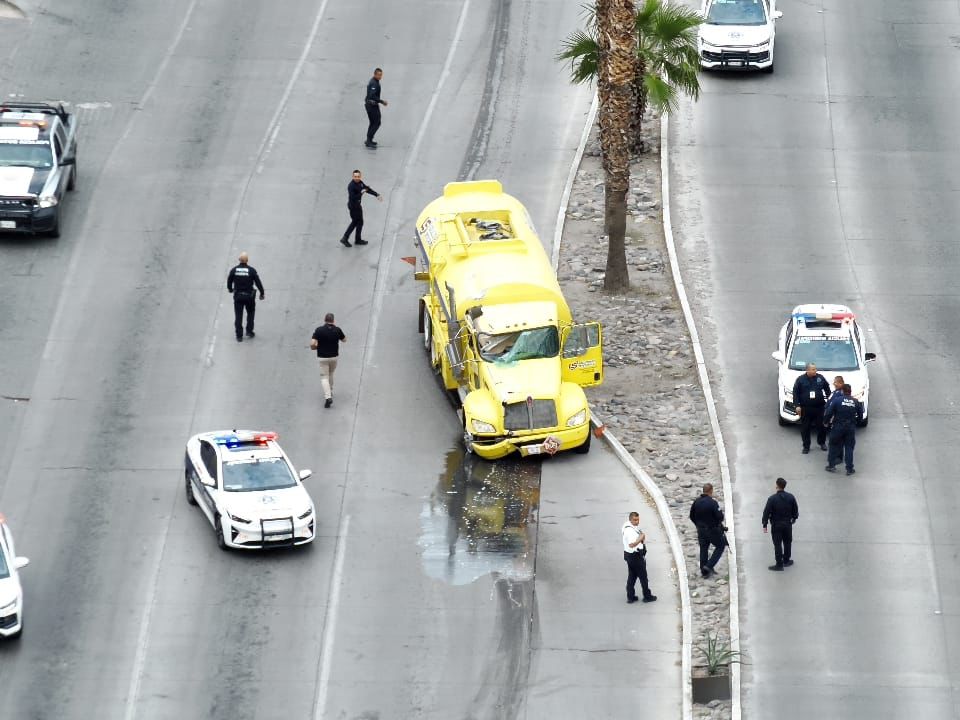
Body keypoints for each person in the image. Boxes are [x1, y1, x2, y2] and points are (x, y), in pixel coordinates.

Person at [823, 383, 862, 475]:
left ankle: (831, 465)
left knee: (833, 445)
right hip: (850, 427)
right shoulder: (855, 401)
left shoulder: (837, 400)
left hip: (838, 426)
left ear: (842, 391)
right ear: (850, 391)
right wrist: (856, 423)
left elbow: (829, 413)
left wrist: (825, 422)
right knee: (849, 448)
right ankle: (849, 469)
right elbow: (860, 415)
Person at [689, 483, 727, 578]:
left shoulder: (696, 502)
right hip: (712, 530)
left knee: (704, 548)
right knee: (720, 546)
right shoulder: (713, 503)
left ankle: (703, 571)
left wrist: (698, 525)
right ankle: (709, 566)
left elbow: (691, 516)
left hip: (701, 530)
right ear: (711, 491)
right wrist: (717, 524)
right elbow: (720, 517)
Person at [792, 362, 831, 453]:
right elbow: (795, 393)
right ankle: (806, 446)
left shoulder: (820, 378)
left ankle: (821, 442)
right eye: (813, 369)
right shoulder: (800, 380)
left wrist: (830, 400)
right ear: (808, 370)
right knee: (805, 428)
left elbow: (827, 388)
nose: (815, 370)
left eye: (815, 369)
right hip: (806, 408)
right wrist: (797, 406)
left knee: (822, 426)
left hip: (819, 407)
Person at [226, 252, 265, 342]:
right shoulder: (252, 270)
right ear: (247, 260)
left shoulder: (234, 270)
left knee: (238, 315)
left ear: (239, 260)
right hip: (249, 297)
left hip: (238, 297)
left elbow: (229, 281)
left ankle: (239, 336)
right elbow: (258, 283)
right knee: (250, 314)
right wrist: (262, 293)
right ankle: (249, 331)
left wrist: (230, 289)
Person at [762, 477, 799, 571]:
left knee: (777, 544)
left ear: (777, 486)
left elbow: (766, 512)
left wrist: (765, 524)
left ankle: (779, 564)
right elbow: (795, 510)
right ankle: (786, 560)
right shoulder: (791, 497)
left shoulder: (772, 499)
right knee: (787, 542)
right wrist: (794, 518)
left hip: (776, 525)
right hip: (787, 524)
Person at [311, 313, 346, 408]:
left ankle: (328, 397)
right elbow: (344, 340)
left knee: (324, 377)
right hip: (334, 357)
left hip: (322, 357)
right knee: (331, 374)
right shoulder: (337, 330)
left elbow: (312, 343)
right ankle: (330, 390)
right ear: (333, 320)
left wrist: (316, 346)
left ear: (324, 319)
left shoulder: (319, 330)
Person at [339, 170, 382, 247]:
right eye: (355, 176)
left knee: (359, 222)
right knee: (355, 222)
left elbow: (367, 189)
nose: (357, 178)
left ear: (360, 176)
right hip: (353, 206)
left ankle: (356, 239)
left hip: (357, 205)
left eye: (358, 176)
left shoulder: (360, 183)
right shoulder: (351, 186)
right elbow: (353, 197)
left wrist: (376, 194)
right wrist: (361, 192)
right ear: (353, 177)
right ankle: (346, 238)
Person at [622, 511, 657, 604]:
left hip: (629, 556)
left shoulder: (627, 525)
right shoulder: (629, 531)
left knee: (632, 576)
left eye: (638, 519)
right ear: (630, 519)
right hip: (635, 556)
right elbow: (632, 544)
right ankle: (647, 596)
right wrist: (641, 537)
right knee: (643, 577)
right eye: (635, 520)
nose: (637, 522)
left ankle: (630, 596)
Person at [364, 68, 388, 148]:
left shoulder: (375, 81)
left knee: (373, 123)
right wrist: (382, 101)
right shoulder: (374, 83)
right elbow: (372, 95)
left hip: (371, 105)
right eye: (378, 75)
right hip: (372, 105)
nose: (380, 76)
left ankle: (369, 139)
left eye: (381, 75)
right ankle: (368, 140)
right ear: (374, 74)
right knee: (377, 123)